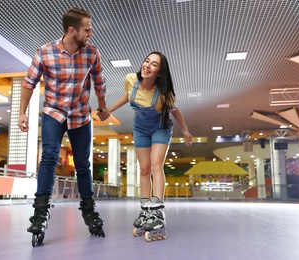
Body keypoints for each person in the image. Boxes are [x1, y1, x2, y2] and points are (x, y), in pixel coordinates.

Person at [18, 7, 110, 242]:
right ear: (72, 30)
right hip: (54, 112)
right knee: (49, 156)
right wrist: (22, 113)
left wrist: (102, 107)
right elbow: (29, 83)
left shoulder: (91, 53)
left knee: (82, 164)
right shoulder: (45, 52)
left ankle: (89, 211)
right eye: (86, 29)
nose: (90, 33)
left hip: (80, 115)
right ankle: (40, 211)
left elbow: (99, 82)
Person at [105, 51, 192, 237]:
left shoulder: (164, 93)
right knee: (144, 169)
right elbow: (127, 96)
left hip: (160, 128)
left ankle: (158, 211)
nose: (147, 65)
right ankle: (146, 211)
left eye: (154, 64)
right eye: (146, 61)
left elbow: (175, 112)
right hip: (140, 128)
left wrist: (185, 130)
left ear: (159, 73)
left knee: (155, 165)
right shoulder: (130, 79)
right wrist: (109, 110)